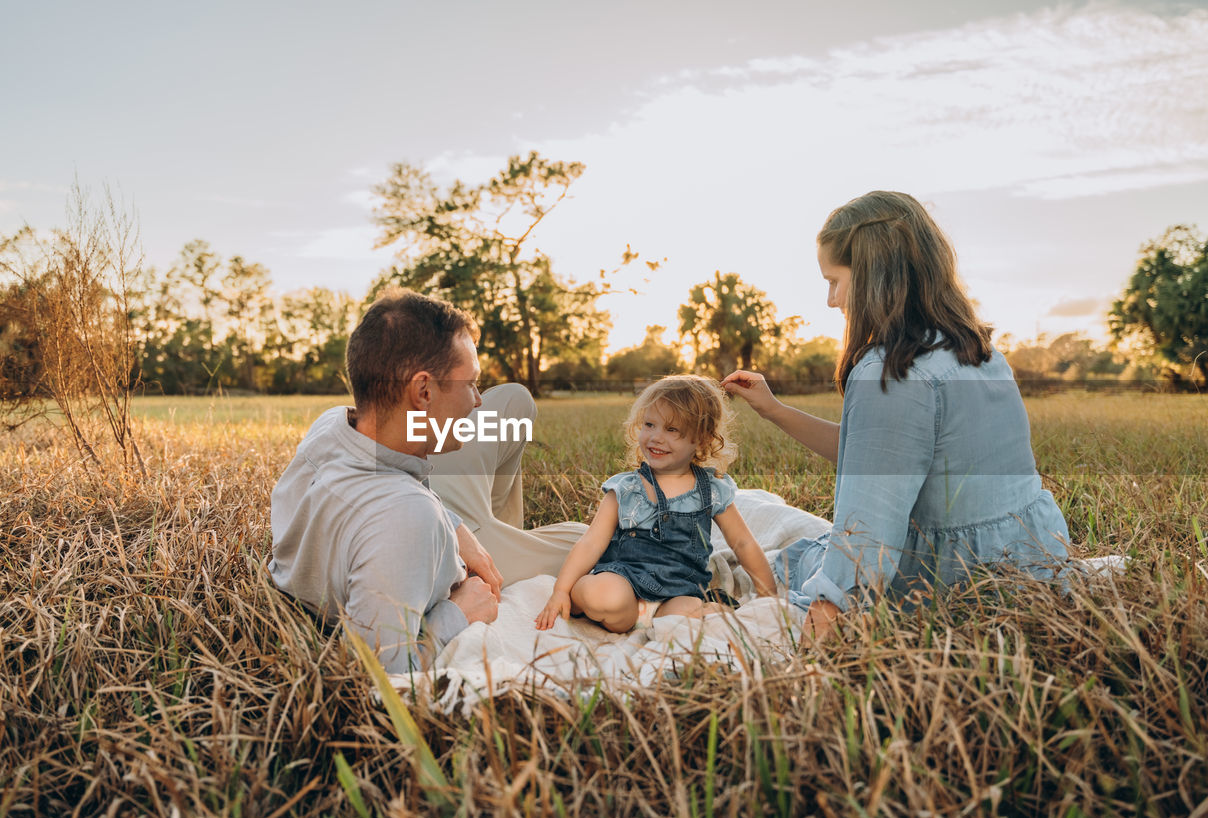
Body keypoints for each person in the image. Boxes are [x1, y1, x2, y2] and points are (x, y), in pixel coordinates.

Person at [723, 190, 1071, 645]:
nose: (831, 299)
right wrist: (774, 410)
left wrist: (825, 620)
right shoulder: (978, 352)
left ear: (873, 277)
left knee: (792, 562)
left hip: (950, 585)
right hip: (1034, 561)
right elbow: (879, 457)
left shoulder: (890, 373)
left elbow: (867, 535)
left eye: (835, 281)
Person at [269, 289, 583, 673]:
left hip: (429, 508)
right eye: (470, 384)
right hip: (432, 547)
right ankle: (506, 560)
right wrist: (460, 611)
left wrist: (456, 526)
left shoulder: (333, 424)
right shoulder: (405, 522)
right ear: (423, 391)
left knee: (515, 401)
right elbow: (385, 669)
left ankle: (499, 532)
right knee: (592, 541)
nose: (478, 401)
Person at [535, 375, 779, 634]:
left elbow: (743, 543)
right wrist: (561, 590)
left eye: (671, 430)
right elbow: (591, 542)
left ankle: (670, 615)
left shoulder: (712, 490)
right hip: (624, 583)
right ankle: (591, 600)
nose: (656, 437)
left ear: (702, 439)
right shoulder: (627, 488)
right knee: (604, 596)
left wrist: (769, 596)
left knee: (694, 615)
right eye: (650, 425)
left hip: (677, 594)